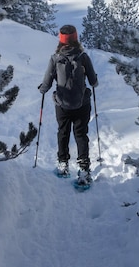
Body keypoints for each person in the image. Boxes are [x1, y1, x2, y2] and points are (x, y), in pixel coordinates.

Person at [39, 25, 98, 185]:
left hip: (62, 104)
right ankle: (84, 169)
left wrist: (42, 89)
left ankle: (63, 164)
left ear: (61, 40)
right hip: (82, 104)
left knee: (63, 132)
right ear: (76, 38)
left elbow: (46, 83)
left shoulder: (55, 58)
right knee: (80, 134)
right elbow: (93, 82)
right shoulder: (83, 57)